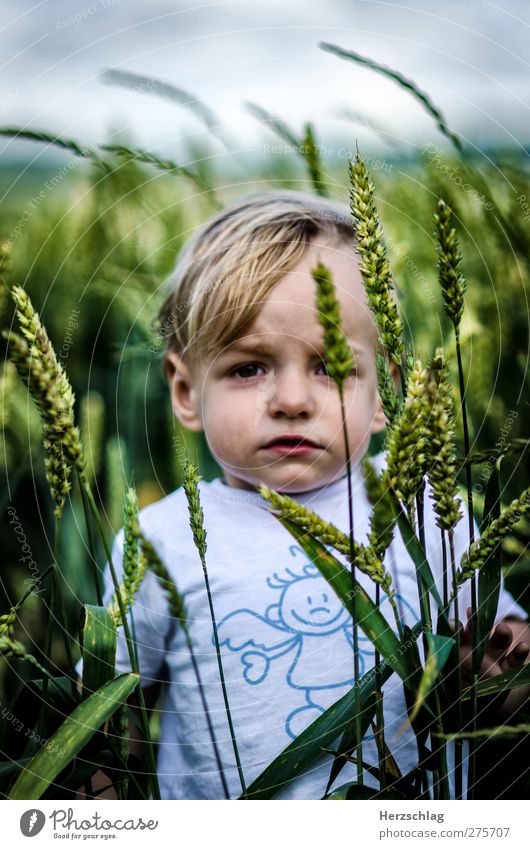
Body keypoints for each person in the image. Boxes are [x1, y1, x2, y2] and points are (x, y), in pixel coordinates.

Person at [78, 190, 530, 800]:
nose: (292, 399)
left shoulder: (425, 517)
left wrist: (492, 676)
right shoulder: (162, 541)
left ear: (383, 392)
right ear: (185, 390)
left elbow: (508, 681)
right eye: (248, 368)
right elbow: (107, 724)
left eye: (331, 366)